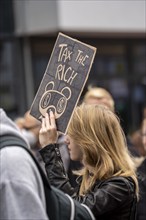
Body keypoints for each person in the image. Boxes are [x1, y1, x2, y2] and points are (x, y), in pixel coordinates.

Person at [39, 103, 139, 219]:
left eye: (71, 133)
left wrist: (50, 149)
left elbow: (74, 211)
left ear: (88, 138)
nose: (66, 140)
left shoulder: (120, 186)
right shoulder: (88, 178)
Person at [0, 108, 48, 220]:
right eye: (24, 127)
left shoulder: (10, 161)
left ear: (42, 126)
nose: (25, 132)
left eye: (28, 128)